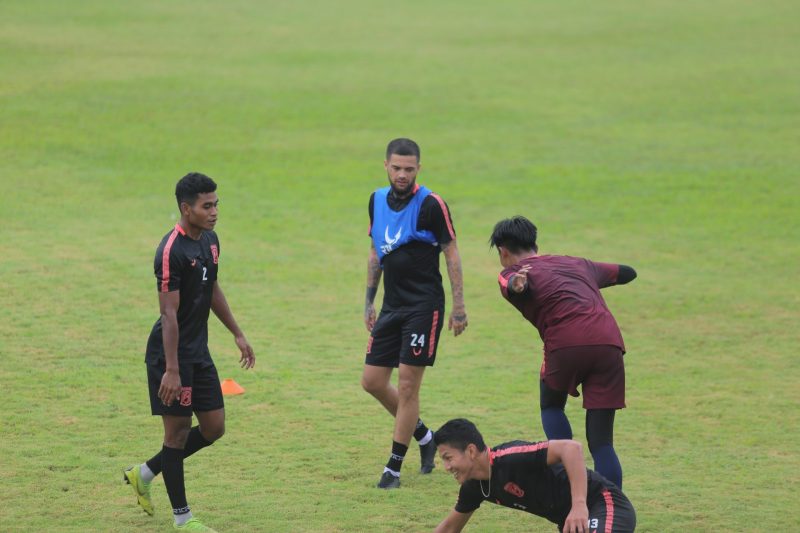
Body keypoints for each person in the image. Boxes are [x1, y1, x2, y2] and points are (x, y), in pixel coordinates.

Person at [123, 173, 255, 532]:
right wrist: (171, 369)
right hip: (171, 356)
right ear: (186, 208)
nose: (214, 212)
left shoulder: (210, 241)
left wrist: (237, 333)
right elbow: (168, 314)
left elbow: (211, 289)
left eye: (216, 205)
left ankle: (145, 472)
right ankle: (183, 519)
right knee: (177, 433)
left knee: (214, 428)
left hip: (198, 351)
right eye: (206, 206)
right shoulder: (170, 251)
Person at [489, 216, 636, 489]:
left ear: (502, 250)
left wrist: (518, 286)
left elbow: (513, 285)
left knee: (551, 404)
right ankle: (612, 509)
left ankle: (570, 481)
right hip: (609, 343)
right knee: (602, 442)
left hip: (566, 344)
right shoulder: (577, 264)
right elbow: (627, 272)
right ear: (535, 242)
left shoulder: (511, 272)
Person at [361, 138, 468, 489]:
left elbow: (451, 253)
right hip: (392, 306)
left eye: (409, 168)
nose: (402, 174)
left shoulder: (431, 204)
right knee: (373, 382)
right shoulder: (376, 201)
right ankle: (425, 436)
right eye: (396, 168)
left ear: (419, 168)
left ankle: (393, 468)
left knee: (407, 386)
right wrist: (368, 300)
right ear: (386, 166)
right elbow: (376, 251)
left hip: (424, 307)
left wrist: (459, 307)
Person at [433, 418, 636, 533]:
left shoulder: (510, 457)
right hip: (571, 521)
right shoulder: (473, 486)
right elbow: (449, 528)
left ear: (470, 451)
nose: (446, 467)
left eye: (448, 458)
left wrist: (579, 505)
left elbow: (571, 448)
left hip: (603, 503)